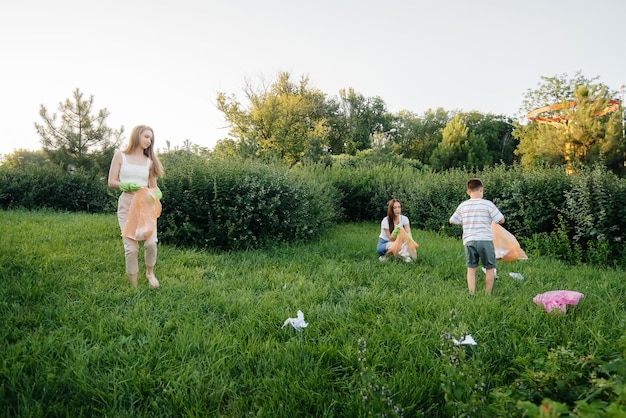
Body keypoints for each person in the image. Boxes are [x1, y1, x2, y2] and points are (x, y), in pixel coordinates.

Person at [108, 125, 165, 288]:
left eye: (151, 138)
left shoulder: (150, 161)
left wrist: (157, 193)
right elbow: (111, 181)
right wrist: (125, 186)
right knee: (131, 248)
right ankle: (133, 286)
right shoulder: (120, 156)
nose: (149, 141)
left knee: (151, 243)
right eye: (146, 136)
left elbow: (153, 186)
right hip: (127, 204)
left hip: (146, 205)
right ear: (137, 135)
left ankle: (150, 273)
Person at [449, 178, 504, 295]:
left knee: (471, 268)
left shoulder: (463, 205)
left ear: (468, 192)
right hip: (485, 240)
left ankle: (471, 293)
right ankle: (487, 294)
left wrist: (465, 222)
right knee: (490, 268)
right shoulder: (488, 204)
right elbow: (501, 220)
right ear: (481, 190)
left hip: (469, 240)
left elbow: (452, 220)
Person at [377, 198, 412, 262]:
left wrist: (409, 242)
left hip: (397, 242)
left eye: (399, 207)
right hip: (384, 244)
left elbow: (408, 233)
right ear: (391, 209)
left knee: (406, 245)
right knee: (395, 245)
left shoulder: (404, 219)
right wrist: (397, 229)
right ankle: (384, 257)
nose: (397, 209)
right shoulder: (385, 221)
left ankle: (401, 256)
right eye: (395, 208)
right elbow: (391, 239)